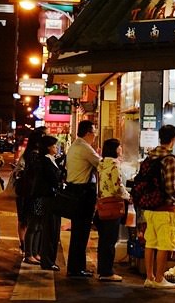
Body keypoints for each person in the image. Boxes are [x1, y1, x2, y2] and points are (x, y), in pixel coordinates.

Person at [143, 124, 175, 289]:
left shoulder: (149, 156)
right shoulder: (169, 158)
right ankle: (159, 279)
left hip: (149, 208)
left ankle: (149, 277)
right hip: (164, 208)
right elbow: (171, 186)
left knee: (150, 242)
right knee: (164, 244)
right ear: (173, 139)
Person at [65, 120, 101, 278]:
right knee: (81, 232)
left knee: (78, 232)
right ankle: (76, 269)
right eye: (94, 133)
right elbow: (101, 164)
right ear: (88, 133)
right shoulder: (84, 148)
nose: (94, 136)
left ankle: (76, 267)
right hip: (82, 193)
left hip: (76, 192)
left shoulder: (75, 145)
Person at [95, 138, 130, 282]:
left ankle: (102, 269)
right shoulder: (115, 165)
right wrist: (128, 196)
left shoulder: (101, 163)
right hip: (113, 206)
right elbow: (117, 187)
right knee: (110, 240)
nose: (121, 149)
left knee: (103, 240)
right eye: (119, 147)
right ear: (115, 149)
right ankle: (107, 272)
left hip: (102, 204)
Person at [33, 135, 63, 271]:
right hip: (48, 199)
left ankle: (49, 260)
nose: (56, 148)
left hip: (52, 199)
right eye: (54, 146)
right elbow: (54, 178)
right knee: (50, 231)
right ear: (48, 148)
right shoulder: (45, 161)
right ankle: (47, 261)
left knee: (52, 230)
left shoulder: (51, 160)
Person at [18, 128, 45, 262]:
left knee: (38, 225)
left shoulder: (36, 154)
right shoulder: (34, 156)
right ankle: (29, 254)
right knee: (33, 224)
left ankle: (34, 253)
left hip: (37, 194)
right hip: (34, 194)